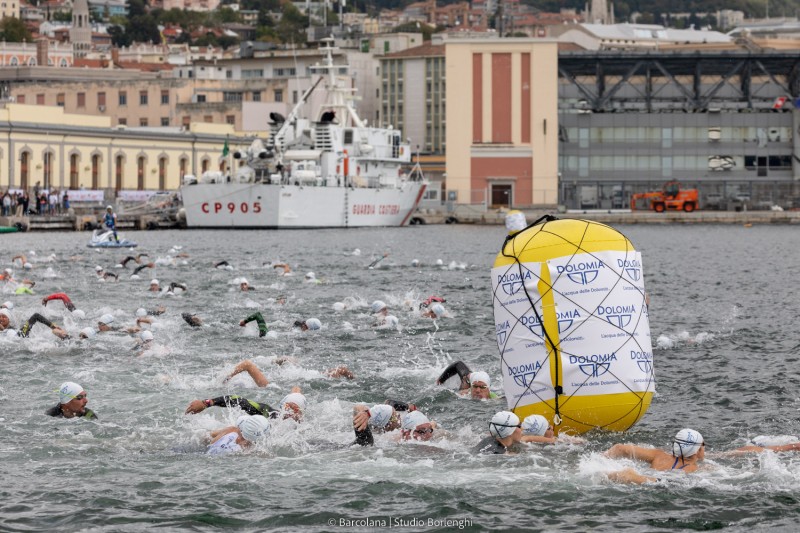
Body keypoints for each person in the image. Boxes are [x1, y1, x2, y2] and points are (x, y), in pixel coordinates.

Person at [605, 428, 705, 484]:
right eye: (703, 445)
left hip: (639, 474)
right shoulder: (693, 468)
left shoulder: (659, 455)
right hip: (653, 483)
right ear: (697, 450)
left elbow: (620, 449)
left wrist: (602, 458)